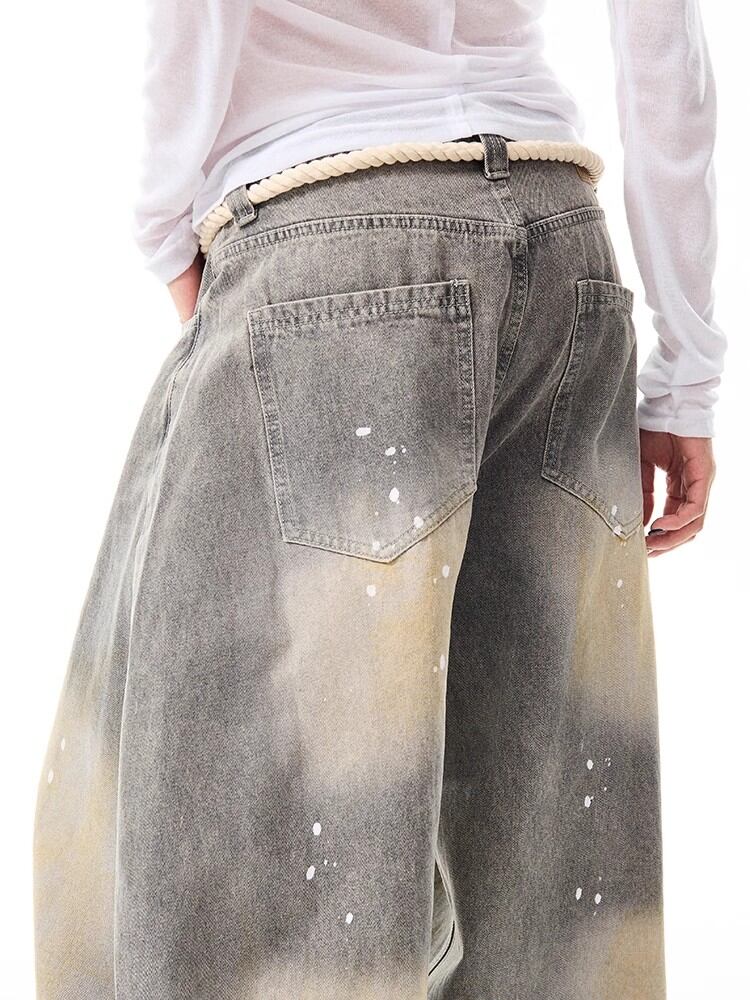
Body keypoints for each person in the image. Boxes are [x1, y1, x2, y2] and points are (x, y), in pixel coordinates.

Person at [33, 3, 723, 999]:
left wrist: (163, 227)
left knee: (262, 854)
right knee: (550, 859)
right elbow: (663, 39)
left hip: (331, 237)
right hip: (561, 244)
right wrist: (687, 368)